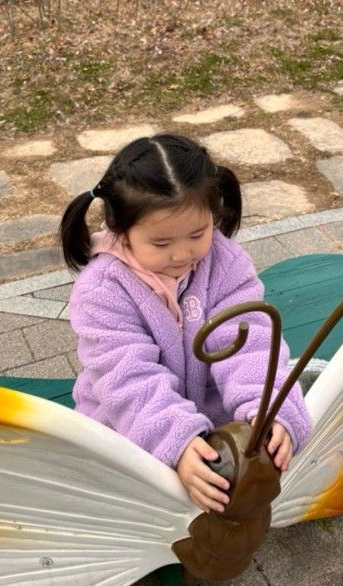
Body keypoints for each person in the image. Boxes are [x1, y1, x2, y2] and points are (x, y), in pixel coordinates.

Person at [61, 134, 311, 514]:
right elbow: (127, 378)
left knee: (256, 454)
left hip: (213, 414)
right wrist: (175, 440)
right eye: (160, 243)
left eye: (198, 234)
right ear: (120, 230)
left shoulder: (224, 263)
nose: (182, 254)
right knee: (122, 499)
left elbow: (248, 340)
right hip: (130, 424)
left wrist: (267, 407)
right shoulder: (101, 290)